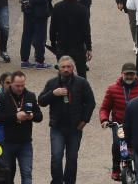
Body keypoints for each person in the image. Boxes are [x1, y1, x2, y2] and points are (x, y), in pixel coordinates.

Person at [38, 56, 96, 184]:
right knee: (56, 157)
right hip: (57, 127)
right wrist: (53, 93)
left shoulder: (82, 83)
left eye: (68, 67)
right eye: (63, 67)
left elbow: (91, 103)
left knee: (72, 158)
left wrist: (84, 121)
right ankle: (57, 181)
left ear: (73, 68)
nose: (65, 69)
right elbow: (41, 101)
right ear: (58, 68)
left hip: (75, 128)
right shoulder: (52, 83)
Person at [0, 70, 43, 184]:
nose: (20, 88)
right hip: (7, 143)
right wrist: (15, 116)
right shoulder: (1, 97)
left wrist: (32, 116)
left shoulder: (30, 96)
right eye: (17, 86)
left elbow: (40, 116)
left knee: (27, 174)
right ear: (11, 84)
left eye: (22, 85)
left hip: (25, 143)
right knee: (7, 176)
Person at [99, 63, 138, 181]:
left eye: (132, 74)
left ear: (136, 75)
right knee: (118, 144)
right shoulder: (112, 89)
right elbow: (104, 108)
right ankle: (116, 169)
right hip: (119, 124)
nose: (129, 77)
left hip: (136, 124)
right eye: (127, 74)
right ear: (122, 74)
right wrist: (104, 120)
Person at [49, 0, 93, 78]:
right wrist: (89, 48)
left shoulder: (57, 7)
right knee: (82, 74)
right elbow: (86, 30)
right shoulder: (83, 9)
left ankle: (63, 92)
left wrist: (53, 43)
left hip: (62, 45)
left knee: (63, 74)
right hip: (78, 47)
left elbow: (53, 28)